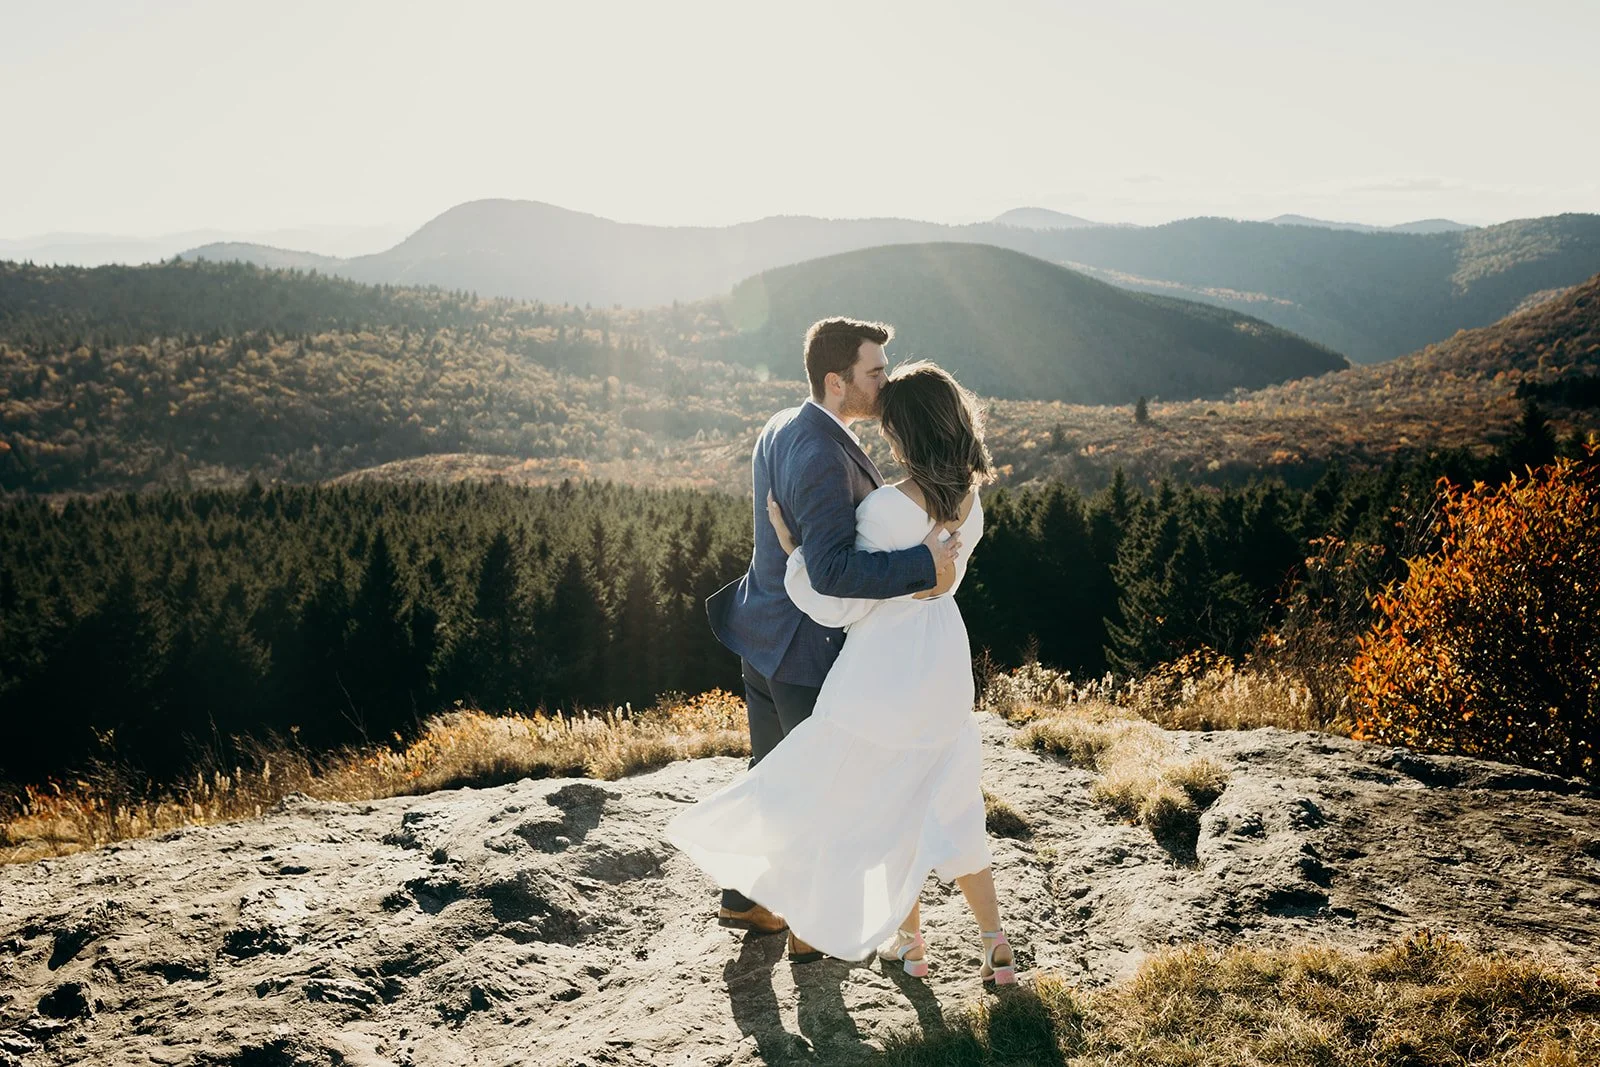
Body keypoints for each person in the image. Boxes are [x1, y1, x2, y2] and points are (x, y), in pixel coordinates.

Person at [671, 360, 1016, 985]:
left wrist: (794, 550)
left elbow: (836, 601)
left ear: (906, 433)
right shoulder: (971, 502)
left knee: (881, 798)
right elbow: (938, 577)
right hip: (943, 658)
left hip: (887, 663)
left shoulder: (886, 509)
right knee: (949, 795)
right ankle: (994, 944)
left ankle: (902, 945)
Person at [701, 318, 961, 958]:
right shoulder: (821, 452)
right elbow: (833, 570)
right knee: (825, 788)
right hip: (803, 647)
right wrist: (926, 566)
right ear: (837, 380)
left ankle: (748, 899)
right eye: (876, 371)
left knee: (775, 776)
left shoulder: (786, 423)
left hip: (763, 634)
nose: (887, 379)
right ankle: (811, 934)